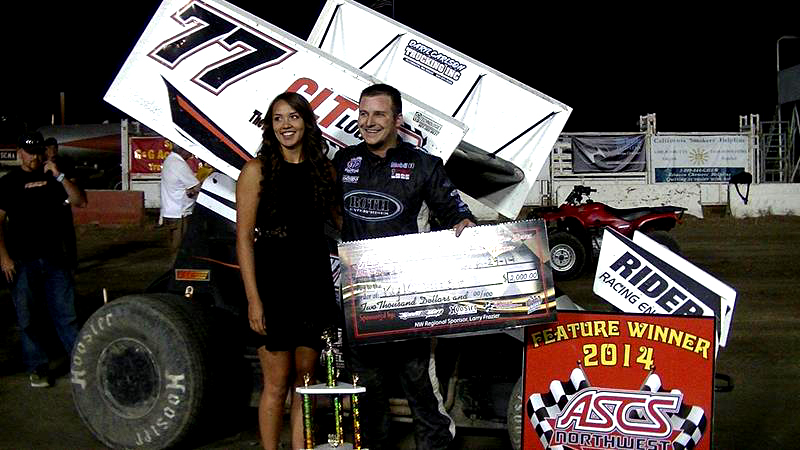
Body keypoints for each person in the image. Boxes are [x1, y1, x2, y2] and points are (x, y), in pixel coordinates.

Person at [331, 84, 476, 449]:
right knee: (367, 390)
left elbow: (455, 213)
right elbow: (326, 211)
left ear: (397, 120)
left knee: (419, 385)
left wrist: (465, 223)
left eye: (379, 114)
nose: (369, 122)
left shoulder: (423, 165)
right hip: (359, 296)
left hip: (408, 296)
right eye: (364, 114)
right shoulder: (344, 161)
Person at [235, 92, 340, 450]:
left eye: (293, 117)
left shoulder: (323, 171)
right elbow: (244, 240)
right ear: (270, 126)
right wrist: (254, 300)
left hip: (313, 284)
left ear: (307, 123)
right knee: (277, 384)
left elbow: (343, 222)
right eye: (278, 118)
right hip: (273, 286)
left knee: (305, 383)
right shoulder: (256, 171)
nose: (286, 125)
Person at [0, 131, 87, 387]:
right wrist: (4, 258)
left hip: (55, 259)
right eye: (29, 152)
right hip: (22, 260)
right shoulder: (9, 182)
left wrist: (59, 175)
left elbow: (80, 201)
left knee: (66, 314)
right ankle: (37, 367)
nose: (34, 157)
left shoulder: (54, 178)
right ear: (20, 153)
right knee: (28, 318)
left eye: (38, 152)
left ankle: (80, 364)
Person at [159, 143, 201, 258]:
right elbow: (196, 186)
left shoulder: (170, 160)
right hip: (179, 213)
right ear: (182, 150)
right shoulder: (178, 163)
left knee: (174, 247)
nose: (191, 154)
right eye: (189, 150)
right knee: (180, 249)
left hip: (170, 211)